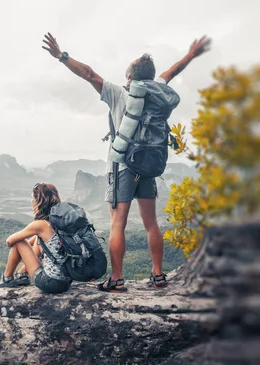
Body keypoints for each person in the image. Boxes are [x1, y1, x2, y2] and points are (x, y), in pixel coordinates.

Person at [41, 33, 212, 292]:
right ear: (150, 77)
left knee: (117, 223)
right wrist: (190, 55)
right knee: (151, 222)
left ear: (130, 77)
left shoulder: (119, 94)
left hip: (123, 167)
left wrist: (62, 56)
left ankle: (117, 279)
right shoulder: (158, 91)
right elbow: (171, 72)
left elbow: (89, 73)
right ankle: (158, 275)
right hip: (149, 165)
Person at [0, 183, 72, 294]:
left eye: (32, 198)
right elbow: (39, 240)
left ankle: (6, 278)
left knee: (19, 241)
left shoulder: (40, 225)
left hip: (51, 283)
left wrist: (20, 246)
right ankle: (22, 274)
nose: (31, 201)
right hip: (66, 281)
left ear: (38, 201)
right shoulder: (61, 220)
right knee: (37, 238)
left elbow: (10, 241)